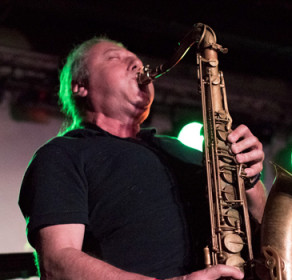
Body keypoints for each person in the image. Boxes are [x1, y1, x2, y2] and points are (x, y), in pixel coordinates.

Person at [18, 37, 267, 280]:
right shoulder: (63, 154)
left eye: (136, 60)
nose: (136, 65)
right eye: (114, 58)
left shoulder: (184, 152)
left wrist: (251, 181)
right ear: (79, 85)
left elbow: (268, 233)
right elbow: (58, 263)